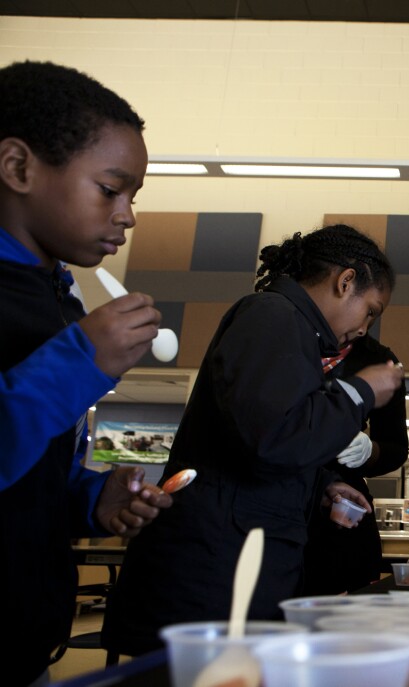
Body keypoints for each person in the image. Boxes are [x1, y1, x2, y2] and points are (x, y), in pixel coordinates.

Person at [102, 224, 405, 656]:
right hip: (212, 575)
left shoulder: (295, 331)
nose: (364, 329)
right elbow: (273, 438)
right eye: (371, 311)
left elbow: (254, 433)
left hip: (233, 565)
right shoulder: (273, 316)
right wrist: (359, 392)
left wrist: (320, 488)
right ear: (346, 281)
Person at [0, 60, 173, 687]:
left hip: (27, 642)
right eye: (110, 189)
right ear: (19, 168)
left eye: (134, 197)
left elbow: (29, 472)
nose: (127, 215)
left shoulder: (57, 297)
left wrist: (88, 497)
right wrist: (79, 363)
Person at [303, 333, 409, 595]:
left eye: (374, 314)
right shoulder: (290, 342)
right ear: (342, 289)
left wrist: (369, 451)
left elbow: (396, 448)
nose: (362, 327)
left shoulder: (378, 359)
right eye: (366, 307)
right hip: (282, 503)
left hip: (340, 511)